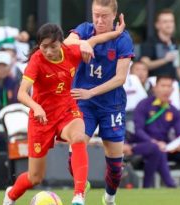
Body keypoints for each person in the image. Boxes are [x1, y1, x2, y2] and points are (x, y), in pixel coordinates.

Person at [2, 22, 125, 205]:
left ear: (61, 43)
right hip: (41, 118)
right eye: (44, 47)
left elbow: (95, 40)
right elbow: (21, 93)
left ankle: (78, 195)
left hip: (67, 110)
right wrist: (36, 107)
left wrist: (116, 33)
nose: (49, 51)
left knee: (78, 138)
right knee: (35, 177)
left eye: (53, 46)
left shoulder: (71, 52)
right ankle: (10, 195)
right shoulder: (37, 60)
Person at [64, 0, 133, 204]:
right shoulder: (85, 30)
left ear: (114, 16)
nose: (99, 20)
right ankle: (80, 190)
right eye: (96, 15)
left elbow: (120, 78)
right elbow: (66, 44)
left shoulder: (123, 39)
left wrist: (91, 92)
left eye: (104, 16)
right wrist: (86, 42)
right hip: (83, 102)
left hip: (111, 104)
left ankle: (109, 198)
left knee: (114, 165)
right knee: (74, 149)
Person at [124, 75, 180, 188]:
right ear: (155, 88)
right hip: (144, 145)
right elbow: (138, 130)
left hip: (165, 146)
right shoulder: (143, 105)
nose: (166, 89)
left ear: (173, 90)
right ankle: (166, 185)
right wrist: (154, 142)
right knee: (156, 149)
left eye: (169, 86)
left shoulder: (173, 110)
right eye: (163, 86)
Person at [141, 9, 180, 84]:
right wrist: (165, 60)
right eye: (165, 22)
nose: (169, 24)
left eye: (171, 21)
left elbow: (176, 66)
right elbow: (144, 64)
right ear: (157, 25)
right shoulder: (150, 42)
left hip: (172, 85)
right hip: (156, 85)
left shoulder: (173, 42)